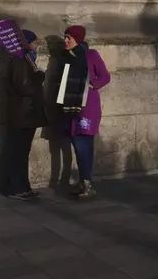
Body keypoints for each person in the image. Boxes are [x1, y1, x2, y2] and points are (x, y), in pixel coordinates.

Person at [61, 25, 110, 197]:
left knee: (83, 145)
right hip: (70, 106)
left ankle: (87, 182)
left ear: (78, 39)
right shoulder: (66, 57)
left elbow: (105, 76)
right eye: (65, 37)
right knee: (77, 143)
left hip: (86, 108)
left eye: (69, 38)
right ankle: (83, 181)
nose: (65, 41)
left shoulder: (91, 55)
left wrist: (91, 84)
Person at [4, 30, 47, 201]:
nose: (37, 46)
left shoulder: (24, 60)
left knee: (22, 152)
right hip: (22, 115)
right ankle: (16, 188)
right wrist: (39, 77)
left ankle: (23, 187)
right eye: (34, 42)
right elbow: (24, 87)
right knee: (19, 153)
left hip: (25, 114)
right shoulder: (20, 61)